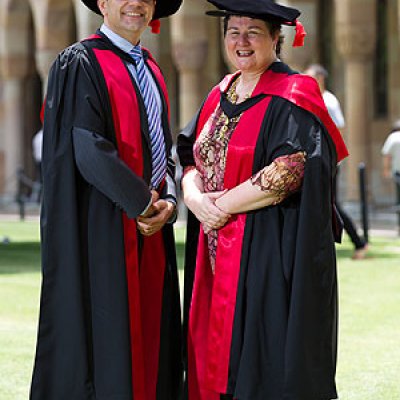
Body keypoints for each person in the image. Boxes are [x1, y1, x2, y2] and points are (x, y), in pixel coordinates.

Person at [177, 1, 348, 399]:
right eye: (233, 32)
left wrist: (218, 206)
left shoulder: (294, 93)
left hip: (269, 248)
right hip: (214, 248)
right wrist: (193, 196)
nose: (242, 41)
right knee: (214, 349)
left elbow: (292, 167)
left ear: (277, 38)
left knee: (261, 349)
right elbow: (187, 153)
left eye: (253, 32)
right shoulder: (221, 92)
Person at [30, 0, 183, 399]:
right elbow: (88, 147)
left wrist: (167, 199)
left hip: (150, 230)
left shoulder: (151, 68)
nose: (136, 4)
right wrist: (142, 203)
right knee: (108, 336)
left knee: (152, 334)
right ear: (102, 4)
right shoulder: (80, 63)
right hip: (103, 228)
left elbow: (160, 145)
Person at [305, 64, 368, 260]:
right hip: (315, 161)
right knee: (322, 203)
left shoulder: (328, 101)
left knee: (331, 204)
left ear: (320, 79)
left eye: (310, 77)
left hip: (327, 162)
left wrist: (328, 156)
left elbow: (338, 129)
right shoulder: (312, 98)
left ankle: (359, 243)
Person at [382, 119, 400, 232]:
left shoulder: (393, 137)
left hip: (398, 173)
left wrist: (386, 170)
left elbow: (386, 155)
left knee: (399, 201)